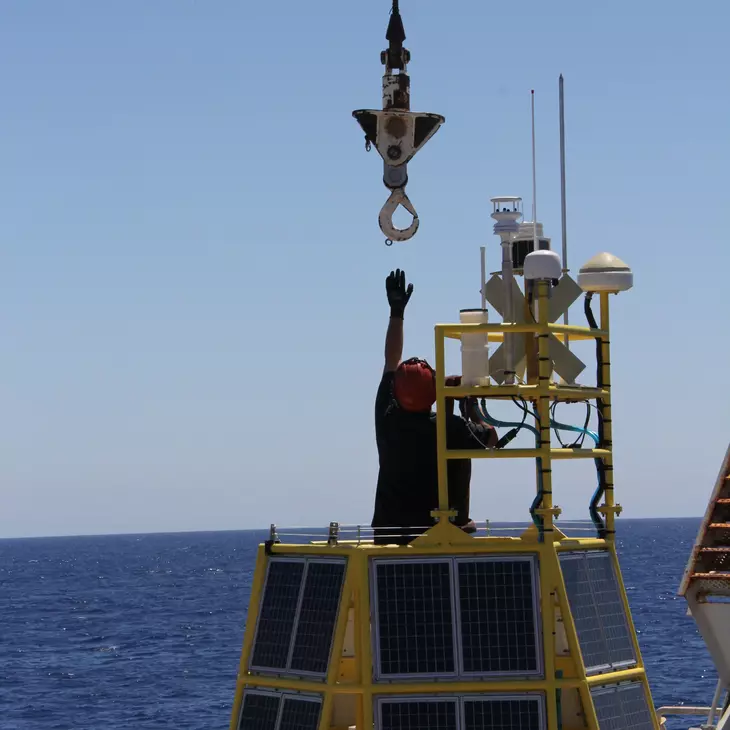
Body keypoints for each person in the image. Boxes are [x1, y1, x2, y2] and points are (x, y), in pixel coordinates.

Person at [372, 269, 498, 545]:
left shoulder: (387, 417)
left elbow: (390, 360)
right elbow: (491, 439)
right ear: (434, 392)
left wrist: (396, 313)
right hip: (440, 538)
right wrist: (470, 406)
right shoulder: (450, 428)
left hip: (390, 538)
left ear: (397, 393)